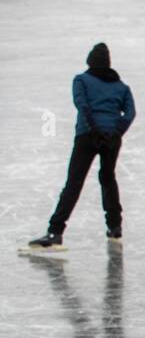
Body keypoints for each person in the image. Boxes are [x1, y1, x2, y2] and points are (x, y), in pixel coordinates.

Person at [27, 43, 135, 251]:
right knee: (107, 178)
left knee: (74, 182)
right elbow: (130, 114)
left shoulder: (81, 80)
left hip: (87, 136)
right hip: (111, 138)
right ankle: (115, 226)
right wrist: (115, 132)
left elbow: (81, 104)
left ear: (90, 61)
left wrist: (93, 129)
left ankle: (55, 231)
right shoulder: (122, 87)